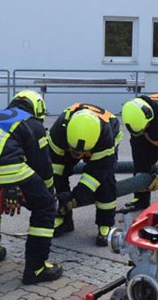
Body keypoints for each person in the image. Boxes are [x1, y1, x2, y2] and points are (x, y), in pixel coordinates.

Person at [0, 90, 62, 285]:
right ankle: (36, 268)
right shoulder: (32, 123)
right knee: (45, 206)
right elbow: (42, 166)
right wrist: (50, 194)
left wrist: (10, 185)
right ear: (38, 109)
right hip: (5, 168)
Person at [48, 103, 122, 246]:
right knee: (57, 177)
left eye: (82, 154)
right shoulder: (59, 131)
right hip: (72, 143)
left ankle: (104, 224)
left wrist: (76, 197)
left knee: (105, 183)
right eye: (74, 152)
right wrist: (56, 195)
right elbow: (53, 169)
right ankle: (63, 219)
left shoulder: (105, 137)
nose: (78, 157)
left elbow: (95, 176)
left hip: (103, 146)